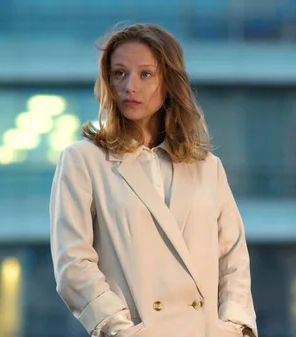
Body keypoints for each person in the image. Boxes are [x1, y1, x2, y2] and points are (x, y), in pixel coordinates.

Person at [49, 23, 257, 337]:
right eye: (120, 73)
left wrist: (236, 328)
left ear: (170, 81)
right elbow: (73, 265)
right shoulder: (82, 160)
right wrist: (120, 330)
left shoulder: (207, 167)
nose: (129, 86)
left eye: (145, 74)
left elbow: (233, 259)